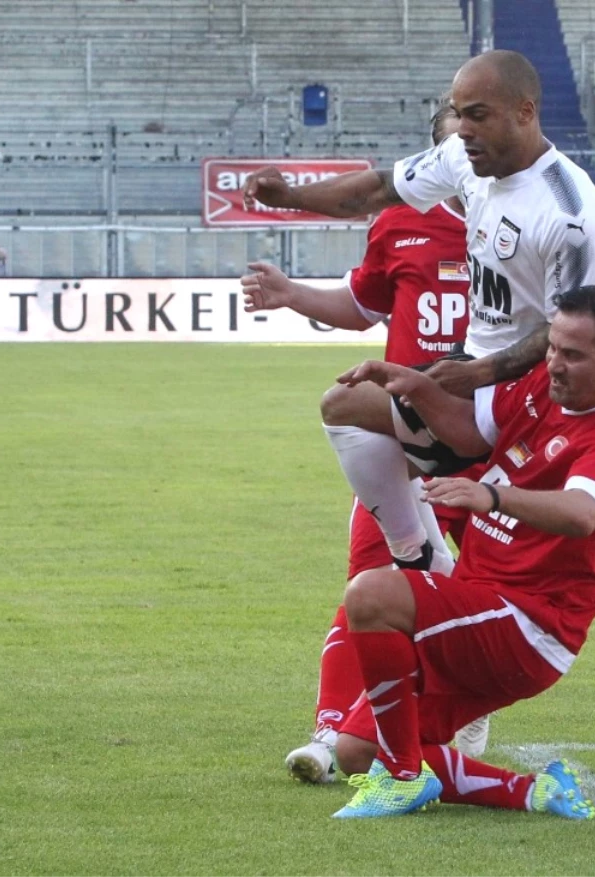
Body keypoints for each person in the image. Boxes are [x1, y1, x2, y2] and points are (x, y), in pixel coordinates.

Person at [242, 50, 595, 582]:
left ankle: (417, 554)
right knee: (352, 413)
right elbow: (374, 189)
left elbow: (569, 331)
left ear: (525, 112)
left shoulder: (571, 216)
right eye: (458, 114)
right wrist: (290, 197)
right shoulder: (464, 159)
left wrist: (479, 372)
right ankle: (419, 557)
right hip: (476, 370)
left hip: (526, 392)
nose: (462, 130)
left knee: (350, 411)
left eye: (477, 115)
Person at [323, 285, 595, 819]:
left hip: (529, 624)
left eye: (573, 355)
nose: (554, 364)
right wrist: (417, 386)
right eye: (552, 347)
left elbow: (581, 513)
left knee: (372, 595)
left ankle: (404, 779)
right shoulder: (539, 387)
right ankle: (537, 791)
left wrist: (491, 495)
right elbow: (466, 430)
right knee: (356, 751)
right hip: (477, 600)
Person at [240, 103, 488, 779]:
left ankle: (456, 708)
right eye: (452, 149)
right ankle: (332, 737)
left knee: (492, 595)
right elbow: (363, 305)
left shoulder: (522, 229)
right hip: (405, 443)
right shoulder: (402, 221)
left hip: (498, 442)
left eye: (476, 143)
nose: (466, 158)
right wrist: (292, 294)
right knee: (373, 587)